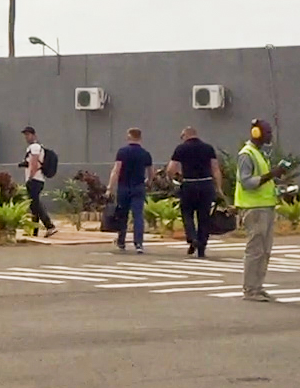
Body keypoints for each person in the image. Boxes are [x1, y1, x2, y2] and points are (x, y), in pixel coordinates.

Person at [234, 119, 285, 301]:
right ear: (256, 133)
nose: (270, 136)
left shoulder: (259, 154)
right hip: (253, 209)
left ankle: (258, 286)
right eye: (268, 132)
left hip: (265, 207)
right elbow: (247, 182)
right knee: (255, 250)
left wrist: (276, 182)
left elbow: (262, 180)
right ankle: (250, 289)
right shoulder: (247, 155)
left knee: (265, 250)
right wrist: (271, 174)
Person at [166, 126, 222, 258]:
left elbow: (170, 169)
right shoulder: (208, 148)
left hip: (189, 184)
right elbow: (215, 169)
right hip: (206, 184)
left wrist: (174, 179)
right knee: (204, 217)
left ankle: (192, 237)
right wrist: (218, 187)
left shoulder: (181, 149)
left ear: (185, 135)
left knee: (187, 213)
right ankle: (202, 247)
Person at [108, 127, 155, 254]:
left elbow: (116, 170)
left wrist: (110, 187)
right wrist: (149, 182)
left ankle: (121, 240)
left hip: (123, 187)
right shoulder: (145, 154)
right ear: (140, 138)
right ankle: (138, 243)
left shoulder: (122, 152)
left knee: (122, 214)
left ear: (129, 137)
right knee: (138, 215)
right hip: (138, 187)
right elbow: (151, 172)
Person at [20, 126, 57, 237]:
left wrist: (30, 177)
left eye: (28, 134)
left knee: (35, 204)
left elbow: (34, 162)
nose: (27, 137)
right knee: (33, 205)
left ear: (34, 135)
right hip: (36, 179)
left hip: (35, 179)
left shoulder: (34, 147)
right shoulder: (35, 147)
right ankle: (34, 230)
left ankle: (49, 226)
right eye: (25, 135)